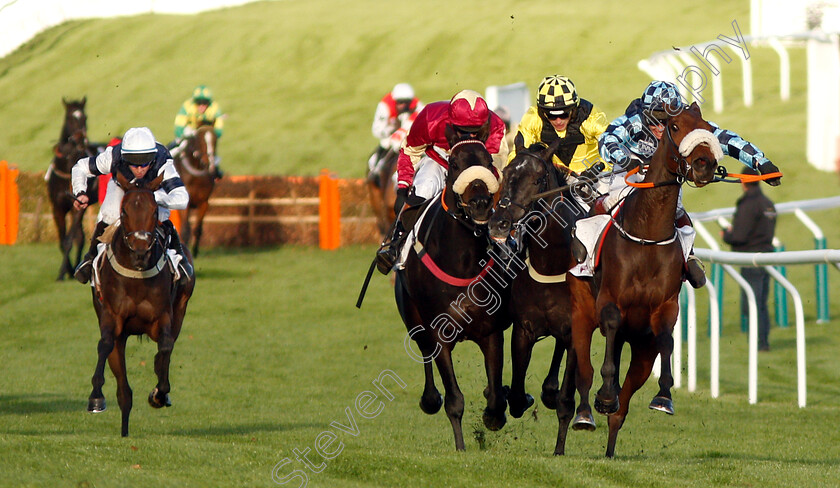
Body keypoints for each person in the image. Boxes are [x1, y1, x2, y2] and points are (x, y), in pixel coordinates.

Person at [594, 80, 782, 288]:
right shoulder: (633, 121)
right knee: (610, 202)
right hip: (629, 178)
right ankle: (586, 260)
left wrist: (761, 162)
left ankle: (687, 258)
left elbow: (727, 140)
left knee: (678, 213)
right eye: (654, 120)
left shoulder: (686, 123)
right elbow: (606, 140)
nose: (659, 127)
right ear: (645, 113)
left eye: (665, 121)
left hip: (666, 183)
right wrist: (625, 159)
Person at [374, 89, 508, 274]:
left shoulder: (495, 125)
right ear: (451, 122)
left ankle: (504, 245)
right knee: (424, 188)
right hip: (439, 160)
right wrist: (404, 185)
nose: (467, 136)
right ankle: (398, 245)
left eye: (474, 132)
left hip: (476, 164)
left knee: (488, 196)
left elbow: (498, 163)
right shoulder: (431, 116)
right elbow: (409, 150)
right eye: (462, 131)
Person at [71, 127, 192, 285]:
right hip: (122, 187)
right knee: (109, 214)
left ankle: (178, 258)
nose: (140, 169)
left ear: (153, 157)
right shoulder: (113, 155)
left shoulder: (162, 160)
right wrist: (80, 191)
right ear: (125, 157)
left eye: (145, 163)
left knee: (162, 216)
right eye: (134, 164)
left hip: (152, 192)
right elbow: (80, 167)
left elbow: (182, 198)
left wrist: (152, 198)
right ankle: (90, 257)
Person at [722, 167, 777, 351]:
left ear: (743, 181)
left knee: (752, 304)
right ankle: (762, 342)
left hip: (752, 259)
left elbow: (739, 236)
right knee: (760, 302)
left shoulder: (748, 204)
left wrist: (726, 235)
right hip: (766, 256)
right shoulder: (768, 203)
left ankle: (760, 344)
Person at [509, 75, 609, 175]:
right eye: (551, 116)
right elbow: (517, 155)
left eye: (564, 115)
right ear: (543, 112)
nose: (558, 121)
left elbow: (612, 146)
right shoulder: (533, 118)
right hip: (556, 178)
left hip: (595, 176)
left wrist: (598, 168)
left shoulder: (591, 118)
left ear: (573, 110)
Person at [368, 83, 424, 177]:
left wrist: (402, 131)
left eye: (406, 102)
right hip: (389, 133)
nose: (403, 105)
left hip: (407, 134)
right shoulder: (385, 107)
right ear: (395, 101)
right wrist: (392, 132)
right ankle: (376, 169)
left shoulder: (417, 105)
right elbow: (377, 130)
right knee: (385, 144)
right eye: (400, 102)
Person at [171, 85, 225, 179]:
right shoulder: (187, 106)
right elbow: (179, 127)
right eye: (199, 103)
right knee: (180, 145)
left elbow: (218, 130)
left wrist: (212, 136)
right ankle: (167, 160)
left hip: (205, 132)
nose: (202, 106)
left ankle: (215, 170)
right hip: (189, 131)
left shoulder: (215, 108)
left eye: (205, 103)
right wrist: (184, 136)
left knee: (210, 148)